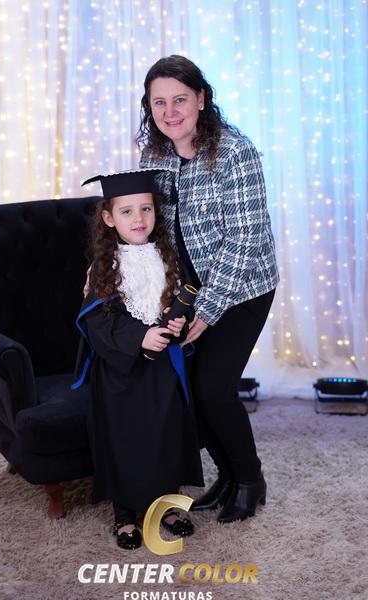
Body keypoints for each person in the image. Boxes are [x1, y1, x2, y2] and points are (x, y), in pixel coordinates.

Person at [137, 55, 280, 523]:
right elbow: (150, 226)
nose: (170, 111)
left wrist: (210, 308)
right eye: (159, 102)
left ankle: (250, 480)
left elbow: (246, 238)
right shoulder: (154, 156)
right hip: (188, 289)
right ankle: (227, 475)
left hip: (243, 286)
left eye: (179, 99)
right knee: (188, 391)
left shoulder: (235, 151)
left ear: (201, 99)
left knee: (213, 388)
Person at [74, 168, 203, 550]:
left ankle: (167, 506)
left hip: (164, 367)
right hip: (122, 372)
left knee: (166, 434)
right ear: (108, 218)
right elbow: (96, 319)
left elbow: (176, 305)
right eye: (127, 211)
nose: (139, 218)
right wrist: (139, 337)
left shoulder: (168, 257)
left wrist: (177, 323)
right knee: (126, 439)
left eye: (146, 209)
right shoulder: (106, 266)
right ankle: (125, 514)